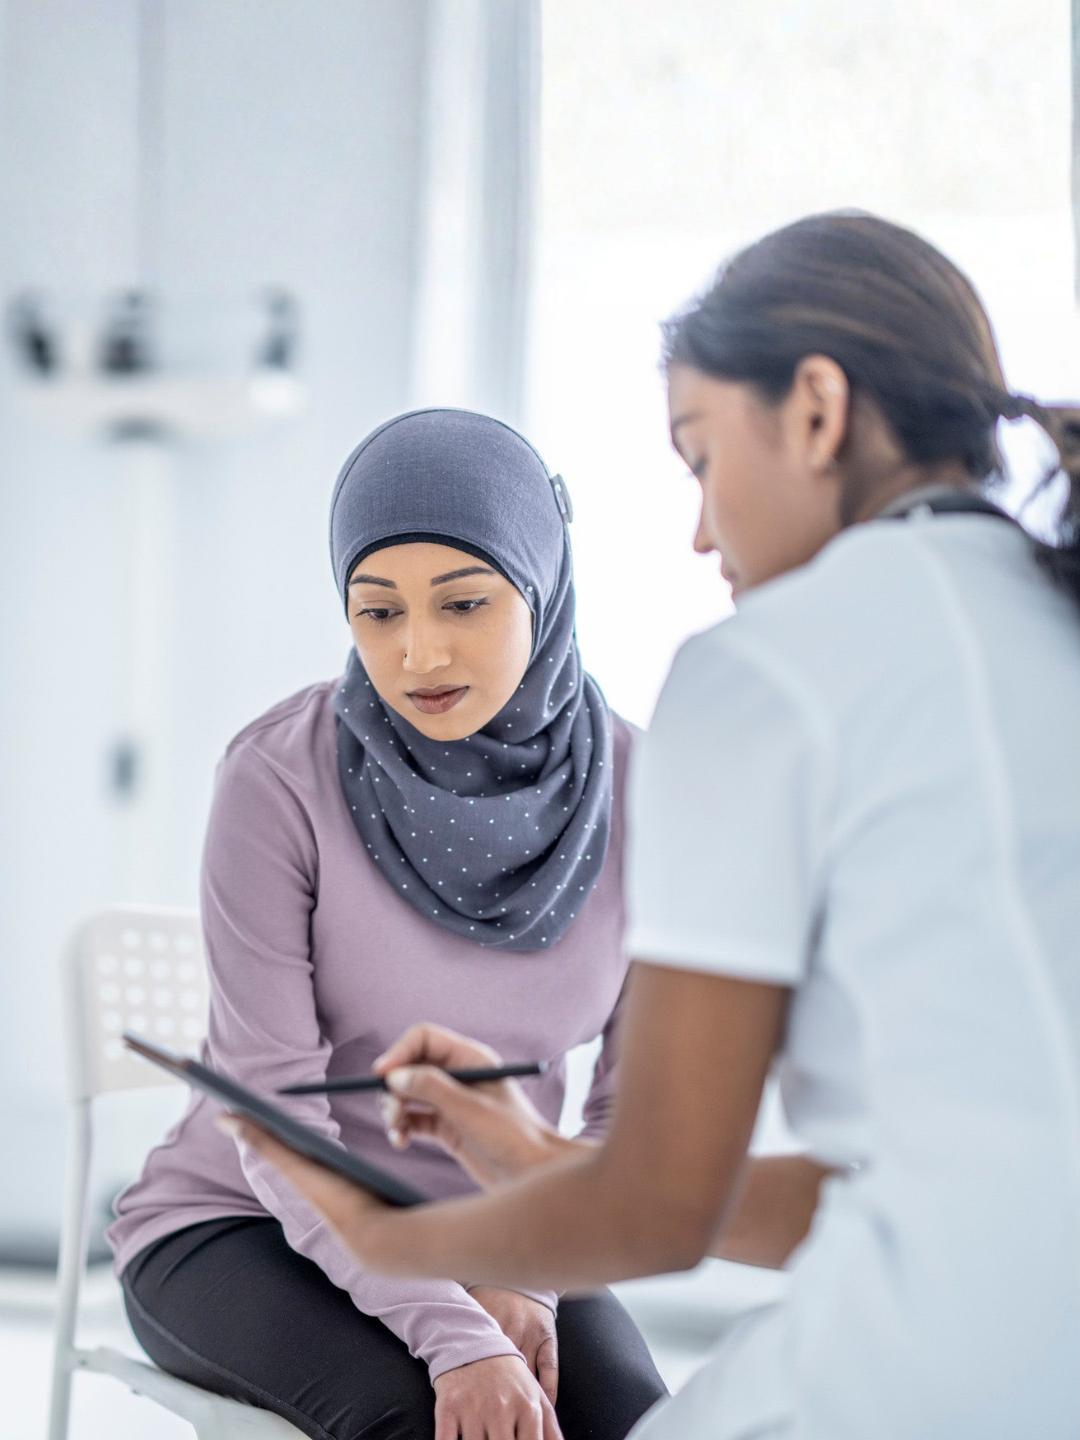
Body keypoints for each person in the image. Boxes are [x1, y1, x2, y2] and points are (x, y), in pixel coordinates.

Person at [223, 213, 1080, 1440]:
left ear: (819, 410)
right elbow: (910, 1192)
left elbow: (659, 1209)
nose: (698, 529)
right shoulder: (1054, 624)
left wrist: (404, 1241)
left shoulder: (762, 674)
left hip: (914, 1372)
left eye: (698, 456)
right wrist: (532, 1157)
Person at [106, 408, 667, 1440]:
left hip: (505, 1223)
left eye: (464, 602)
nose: (419, 654)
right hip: (245, 1222)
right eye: (378, 612)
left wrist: (528, 1283)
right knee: (417, 1418)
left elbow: (629, 1121)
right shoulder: (277, 776)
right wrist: (459, 1337)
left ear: (540, 584)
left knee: (636, 1421)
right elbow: (276, 1122)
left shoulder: (644, 789)